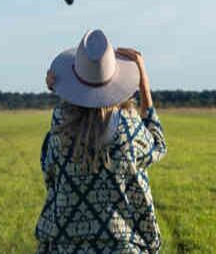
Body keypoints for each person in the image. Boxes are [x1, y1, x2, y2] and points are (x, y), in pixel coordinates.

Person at [35, 29, 167, 253]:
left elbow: (48, 163)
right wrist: (143, 82)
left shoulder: (60, 129)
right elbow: (158, 144)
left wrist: (60, 92)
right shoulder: (130, 128)